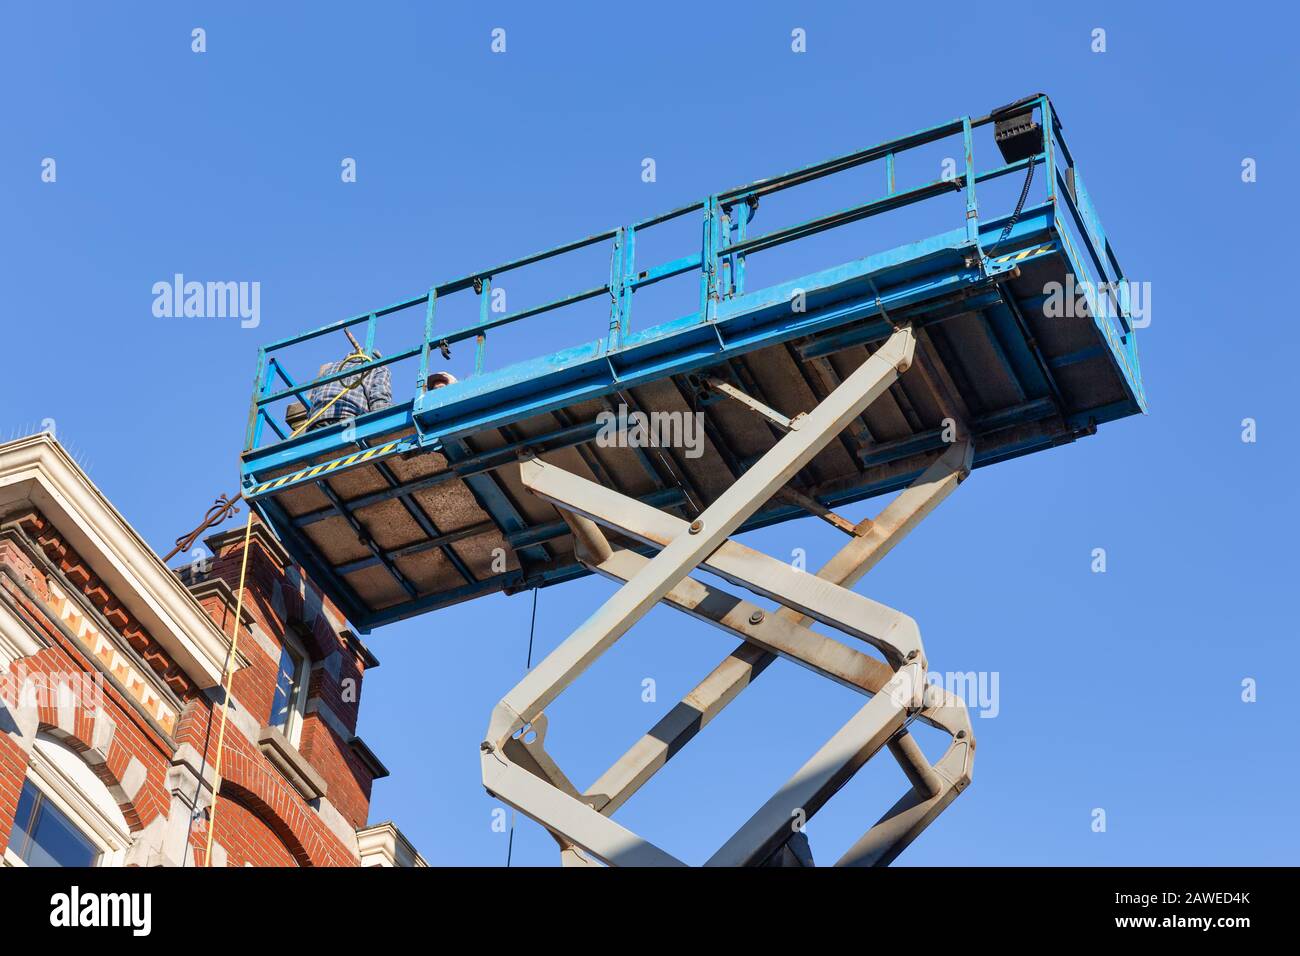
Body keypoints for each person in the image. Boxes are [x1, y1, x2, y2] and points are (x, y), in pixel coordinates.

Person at [306, 351, 392, 430]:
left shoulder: (331, 368)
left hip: (317, 420)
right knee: (351, 445)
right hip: (347, 417)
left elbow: (312, 398)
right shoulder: (379, 368)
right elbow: (379, 404)